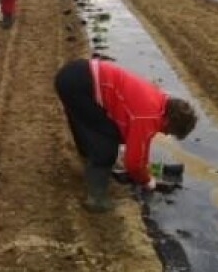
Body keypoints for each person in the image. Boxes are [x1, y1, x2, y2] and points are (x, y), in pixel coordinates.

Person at [54, 58, 198, 212]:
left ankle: (89, 158)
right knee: (106, 147)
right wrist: (147, 181)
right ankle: (97, 200)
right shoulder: (148, 117)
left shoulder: (158, 102)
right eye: (170, 131)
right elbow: (134, 163)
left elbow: (142, 143)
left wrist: (142, 164)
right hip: (79, 84)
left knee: (95, 127)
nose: (165, 133)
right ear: (170, 121)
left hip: (76, 74)